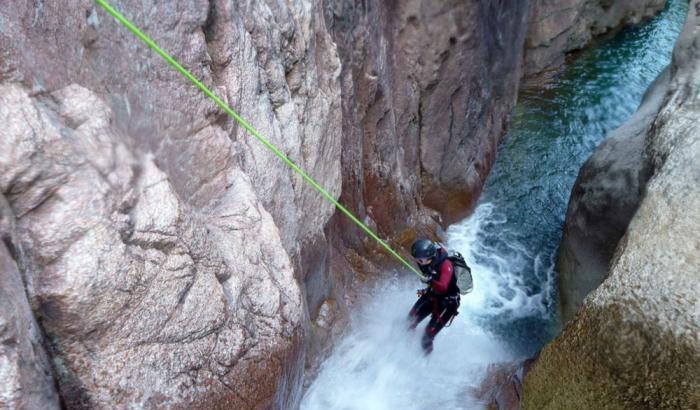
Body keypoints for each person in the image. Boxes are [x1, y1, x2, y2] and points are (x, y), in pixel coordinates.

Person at [407, 239, 460, 354]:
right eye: (416, 258)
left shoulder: (446, 265)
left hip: (448, 303)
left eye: (419, 260)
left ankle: (424, 361)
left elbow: (443, 287)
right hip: (433, 294)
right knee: (410, 320)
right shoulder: (425, 261)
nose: (417, 261)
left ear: (428, 257)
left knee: (427, 336)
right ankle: (403, 343)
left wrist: (431, 281)